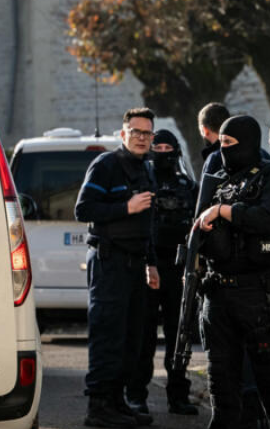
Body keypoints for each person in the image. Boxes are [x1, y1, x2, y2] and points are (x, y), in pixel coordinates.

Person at [194, 115, 270, 429]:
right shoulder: (220, 181)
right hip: (217, 292)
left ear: (248, 143)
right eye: (221, 142)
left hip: (257, 294)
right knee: (221, 385)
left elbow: (269, 219)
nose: (224, 149)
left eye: (230, 143)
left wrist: (223, 211)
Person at [76, 107, 160, 428]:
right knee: (108, 334)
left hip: (135, 264)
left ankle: (116, 401)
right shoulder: (106, 165)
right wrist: (126, 206)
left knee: (130, 337)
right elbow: (83, 209)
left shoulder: (146, 169)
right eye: (136, 132)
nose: (141, 138)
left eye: (147, 133)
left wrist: (151, 263)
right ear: (123, 134)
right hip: (109, 261)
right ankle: (98, 407)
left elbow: (146, 223)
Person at [127, 129, 199, 417]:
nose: (163, 154)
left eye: (168, 149)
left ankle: (178, 396)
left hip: (179, 269)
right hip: (149, 267)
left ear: (176, 152)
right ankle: (136, 396)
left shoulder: (188, 187)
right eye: (158, 148)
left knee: (178, 335)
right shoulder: (141, 184)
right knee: (143, 336)